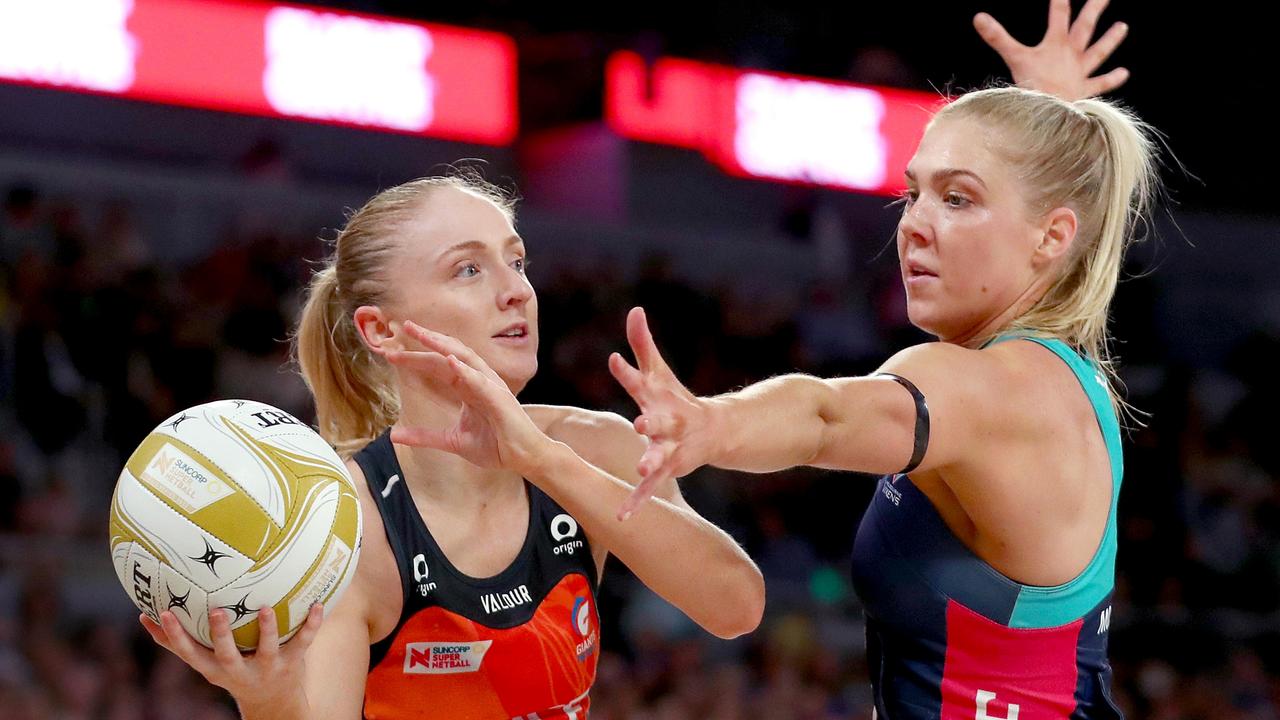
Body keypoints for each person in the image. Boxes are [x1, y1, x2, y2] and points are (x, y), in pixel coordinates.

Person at [606, 3, 1153, 718]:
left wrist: (715, 422)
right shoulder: (1056, 375)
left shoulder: (981, 386)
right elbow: (1053, 224)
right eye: (913, 192)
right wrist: (1046, 111)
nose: (915, 225)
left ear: (1052, 236)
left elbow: (829, 415)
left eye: (957, 198)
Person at [137, 173, 766, 720]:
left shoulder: (589, 450)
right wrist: (268, 703)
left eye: (516, 261)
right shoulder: (345, 528)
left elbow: (736, 605)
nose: (516, 289)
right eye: (468, 269)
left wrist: (541, 460)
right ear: (381, 329)